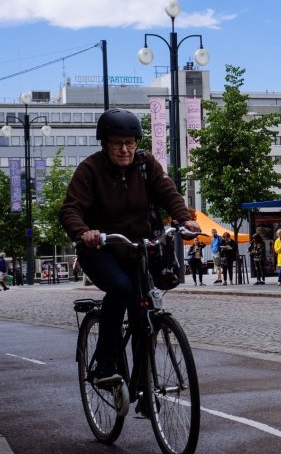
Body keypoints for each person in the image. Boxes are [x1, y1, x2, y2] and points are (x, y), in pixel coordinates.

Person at [59, 108, 199, 387]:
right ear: (105, 144)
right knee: (121, 289)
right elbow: (70, 209)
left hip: (139, 252)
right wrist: (84, 232)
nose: (124, 150)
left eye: (130, 143)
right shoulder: (90, 169)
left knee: (141, 314)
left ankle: (143, 389)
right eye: (117, 144)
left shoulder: (147, 166)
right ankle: (104, 364)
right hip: (101, 251)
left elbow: (168, 193)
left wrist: (184, 219)